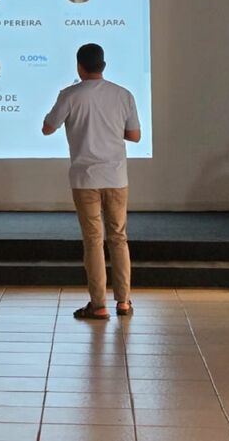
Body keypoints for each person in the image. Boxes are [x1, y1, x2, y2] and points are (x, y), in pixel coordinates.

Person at [42, 43, 141, 320]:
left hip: (85, 179)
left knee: (94, 241)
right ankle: (124, 302)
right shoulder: (123, 95)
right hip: (116, 177)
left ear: (79, 66)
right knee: (119, 238)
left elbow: (48, 128)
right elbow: (134, 136)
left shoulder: (70, 95)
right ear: (104, 66)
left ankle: (98, 305)